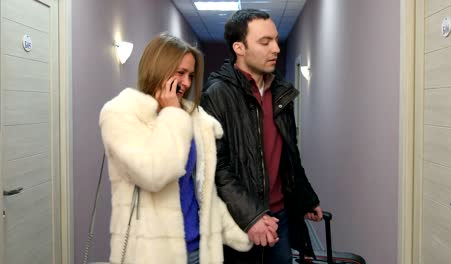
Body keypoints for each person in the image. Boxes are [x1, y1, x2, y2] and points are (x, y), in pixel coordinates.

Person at [99, 33, 252, 264]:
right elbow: (154, 175)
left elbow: (200, 190)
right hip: (151, 254)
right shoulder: (122, 113)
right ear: (158, 68)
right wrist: (171, 114)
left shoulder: (195, 117)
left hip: (199, 248)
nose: (187, 83)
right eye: (180, 73)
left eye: (190, 75)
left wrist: (239, 229)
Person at [200, 9, 323, 264]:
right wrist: (251, 217)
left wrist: (306, 196)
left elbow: (290, 153)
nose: (276, 48)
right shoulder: (216, 94)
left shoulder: (281, 91)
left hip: (281, 217)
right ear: (239, 48)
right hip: (238, 221)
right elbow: (217, 167)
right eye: (265, 42)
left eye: (276, 40)